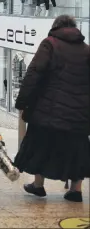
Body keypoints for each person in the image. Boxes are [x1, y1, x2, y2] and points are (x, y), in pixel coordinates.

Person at [13, 15, 90, 203]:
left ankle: (38, 184)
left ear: (55, 27)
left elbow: (34, 74)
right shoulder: (87, 50)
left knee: (41, 143)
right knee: (77, 148)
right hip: (79, 113)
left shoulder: (49, 44)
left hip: (48, 109)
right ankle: (76, 189)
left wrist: (22, 101)